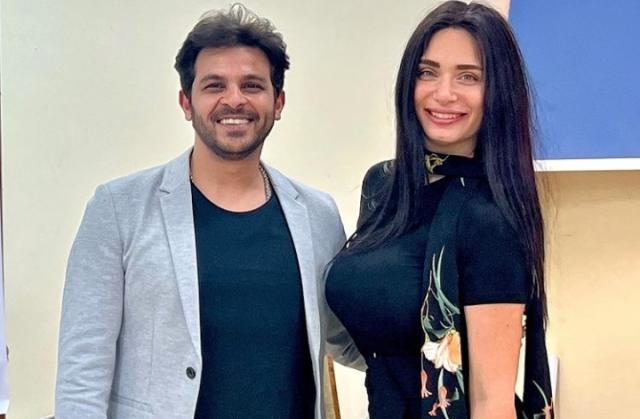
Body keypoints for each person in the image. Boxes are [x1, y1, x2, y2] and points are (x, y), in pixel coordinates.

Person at [55, 4, 345, 418]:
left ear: (278, 102)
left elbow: (345, 336)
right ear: (186, 102)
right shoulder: (118, 209)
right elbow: (82, 372)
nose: (234, 100)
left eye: (252, 85)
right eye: (214, 85)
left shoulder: (318, 215)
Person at [324, 1, 554, 418]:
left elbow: (491, 402)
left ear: (498, 92)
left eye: (469, 76)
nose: (443, 93)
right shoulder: (384, 186)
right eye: (427, 72)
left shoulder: (490, 219)